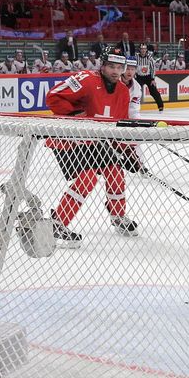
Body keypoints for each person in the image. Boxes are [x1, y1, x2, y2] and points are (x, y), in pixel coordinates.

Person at [46, 46, 138, 245]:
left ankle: (118, 216)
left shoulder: (123, 91)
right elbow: (53, 96)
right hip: (69, 139)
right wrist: (74, 115)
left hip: (95, 141)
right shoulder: (85, 79)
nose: (116, 71)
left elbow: (119, 125)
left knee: (115, 172)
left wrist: (128, 152)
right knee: (87, 179)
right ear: (102, 66)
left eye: (119, 67)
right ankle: (56, 223)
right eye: (111, 66)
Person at [134, 43, 165, 112]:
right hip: (139, 77)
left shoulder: (149, 57)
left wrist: (153, 79)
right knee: (135, 91)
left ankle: (160, 106)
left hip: (148, 77)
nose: (143, 50)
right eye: (142, 49)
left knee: (153, 91)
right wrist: (134, 76)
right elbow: (133, 67)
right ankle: (134, 106)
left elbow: (153, 69)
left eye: (144, 49)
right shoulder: (136, 57)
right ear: (139, 49)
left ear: (146, 50)